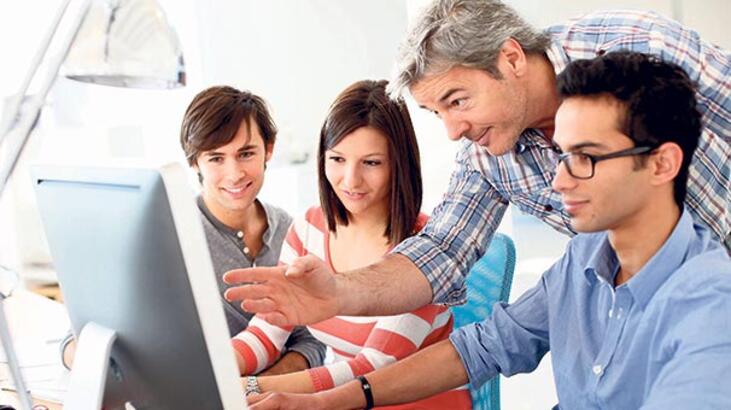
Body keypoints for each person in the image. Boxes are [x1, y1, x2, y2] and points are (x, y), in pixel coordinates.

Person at [244, 51, 731, 410]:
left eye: (584, 158)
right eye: (562, 155)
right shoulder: (584, 258)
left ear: (662, 163)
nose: (558, 181)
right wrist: (326, 402)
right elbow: (484, 346)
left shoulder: (710, 304)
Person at [223, 0, 730, 328]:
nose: (452, 130)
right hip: (674, 312)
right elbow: (441, 252)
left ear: (511, 58)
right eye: (436, 113)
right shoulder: (486, 155)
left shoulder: (637, 46)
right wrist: (339, 292)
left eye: (457, 100)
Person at [236, 80, 471, 409]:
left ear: (399, 163)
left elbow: (370, 368)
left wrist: (249, 386)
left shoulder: (427, 249)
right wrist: (211, 370)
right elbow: (266, 331)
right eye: (337, 159)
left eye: (371, 162)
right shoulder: (308, 229)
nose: (350, 180)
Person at [60, 86, 325, 373]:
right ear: (194, 161)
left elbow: (310, 340)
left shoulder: (290, 230)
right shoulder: (162, 233)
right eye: (216, 158)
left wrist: (258, 388)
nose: (234, 174)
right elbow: (78, 343)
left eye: (246, 153)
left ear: (268, 149)